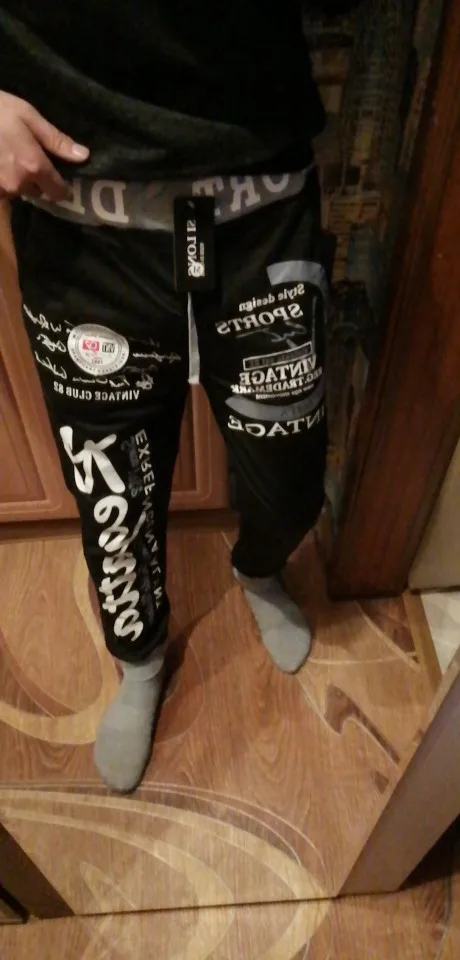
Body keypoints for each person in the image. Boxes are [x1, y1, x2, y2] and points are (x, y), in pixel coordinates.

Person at [0, 1, 360, 792]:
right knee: (113, 501)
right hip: (78, 220)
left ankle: (259, 570)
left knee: (292, 477)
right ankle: (140, 659)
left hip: (260, 204)